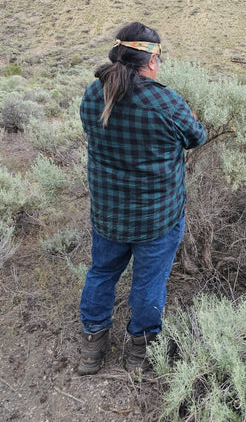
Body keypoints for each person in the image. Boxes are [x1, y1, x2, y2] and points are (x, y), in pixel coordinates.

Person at [77, 22, 206, 375]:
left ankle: (92, 344)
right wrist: (189, 118)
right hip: (157, 219)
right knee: (148, 283)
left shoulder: (93, 94)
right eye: (159, 55)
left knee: (101, 273)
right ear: (149, 59)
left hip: (108, 214)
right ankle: (140, 349)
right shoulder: (165, 101)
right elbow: (197, 137)